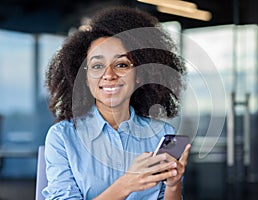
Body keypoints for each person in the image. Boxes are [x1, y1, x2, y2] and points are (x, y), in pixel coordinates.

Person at [42, 6, 190, 200]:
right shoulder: (62, 137)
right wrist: (126, 184)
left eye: (121, 65)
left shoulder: (162, 134)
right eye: (97, 66)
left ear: (139, 75)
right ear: (85, 78)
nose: (109, 75)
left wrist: (173, 184)